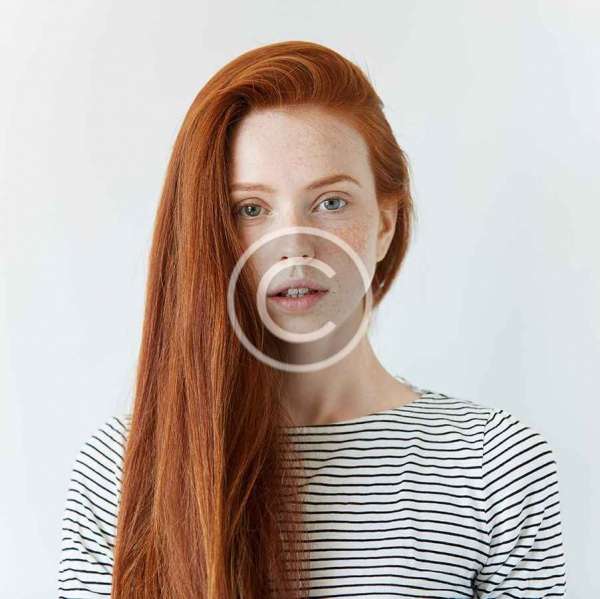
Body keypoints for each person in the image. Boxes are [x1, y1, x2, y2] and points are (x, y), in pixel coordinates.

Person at [58, 40, 567, 598]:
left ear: (385, 224)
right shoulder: (125, 470)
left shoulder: (492, 464)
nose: (294, 245)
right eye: (250, 209)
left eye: (331, 203)